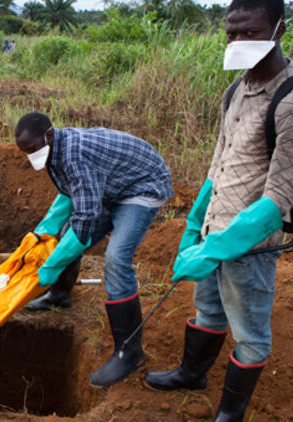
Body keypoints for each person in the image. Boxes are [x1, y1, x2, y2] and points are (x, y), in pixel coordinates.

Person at [144, 1, 293, 420]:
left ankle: (230, 414)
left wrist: (218, 249)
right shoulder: (236, 91)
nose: (239, 41)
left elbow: (279, 198)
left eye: (251, 32)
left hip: (248, 246)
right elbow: (217, 165)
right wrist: (195, 228)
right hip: (215, 228)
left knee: (250, 337)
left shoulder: (288, 100)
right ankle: (192, 375)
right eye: (232, 33)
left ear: (280, 28)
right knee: (208, 309)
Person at [15, 112, 173, 387]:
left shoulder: (74, 155)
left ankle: (129, 353)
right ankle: (59, 296)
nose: (31, 156)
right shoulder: (55, 149)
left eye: (32, 149)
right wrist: (42, 232)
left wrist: (51, 266)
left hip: (140, 187)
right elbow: (68, 196)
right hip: (111, 186)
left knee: (116, 259)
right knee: (65, 235)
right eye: (25, 152)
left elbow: (86, 219)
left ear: (49, 135)